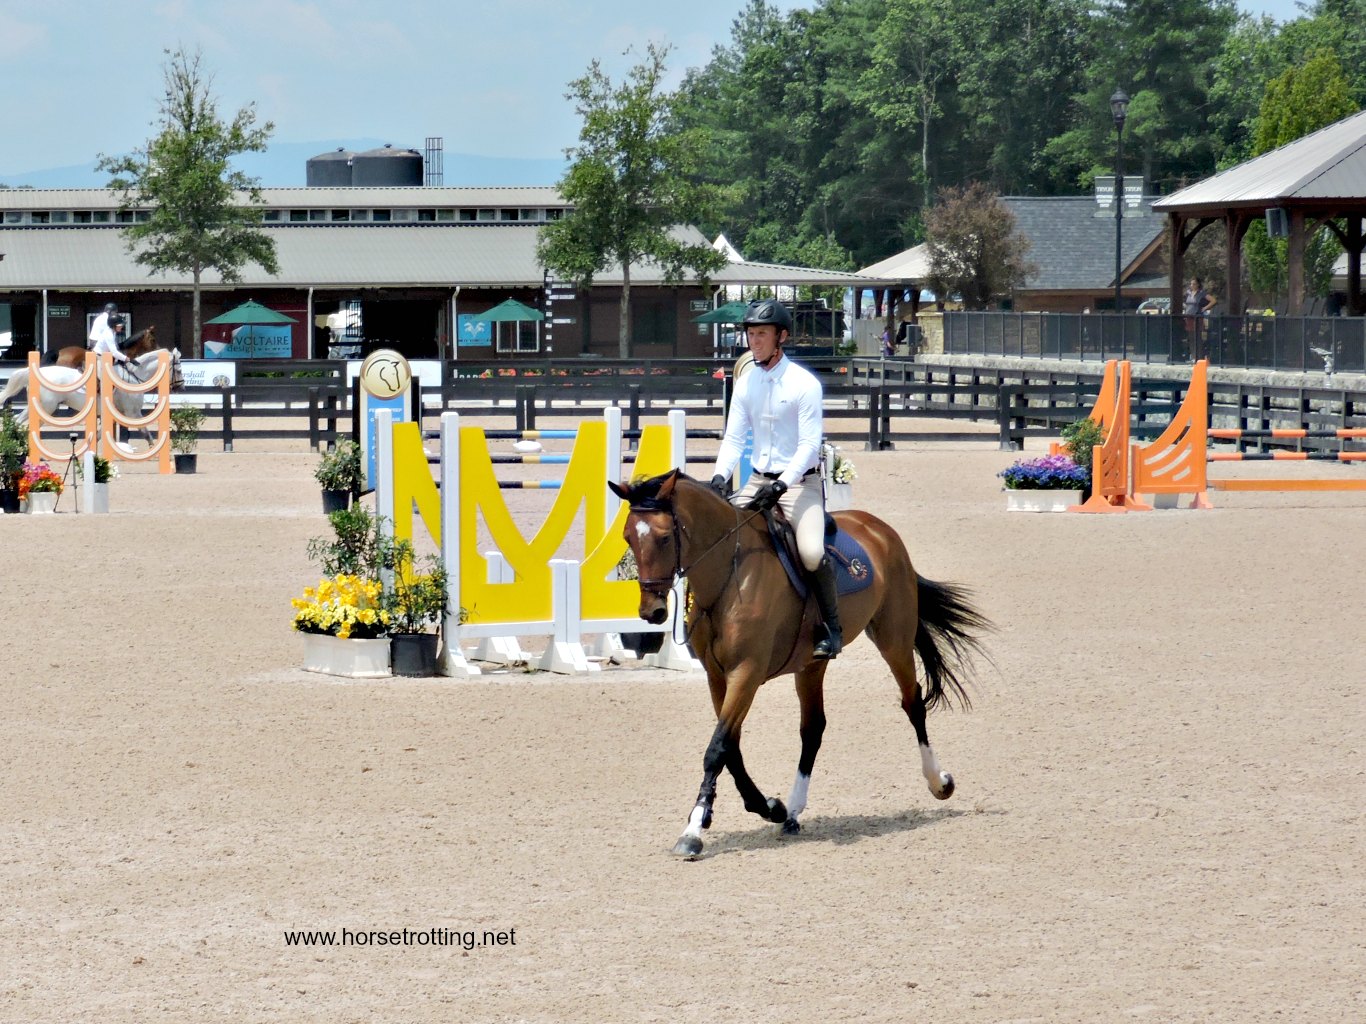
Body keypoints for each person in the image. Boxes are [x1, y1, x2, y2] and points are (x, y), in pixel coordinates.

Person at [709, 298, 842, 660]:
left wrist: (783, 483)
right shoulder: (746, 383)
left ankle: (831, 626)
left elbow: (809, 444)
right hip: (756, 481)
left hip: (800, 484)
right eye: (751, 334)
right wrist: (720, 476)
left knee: (812, 553)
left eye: (762, 334)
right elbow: (734, 437)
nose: (755, 341)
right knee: (718, 536)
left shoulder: (804, 384)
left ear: (781, 336)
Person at [1182, 277, 1214, 359]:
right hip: (1188, 317)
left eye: (1194, 284)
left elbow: (1213, 300)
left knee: (1198, 338)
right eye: (1191, 284)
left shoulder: (1201, 293)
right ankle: (1193, 356)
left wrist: (1205, 308)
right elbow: (1186, 303)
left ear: (1198, 285)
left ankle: (1200, 357)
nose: (1192, 285)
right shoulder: (1188, 293)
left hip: (1197, 317)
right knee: (1191, 337)